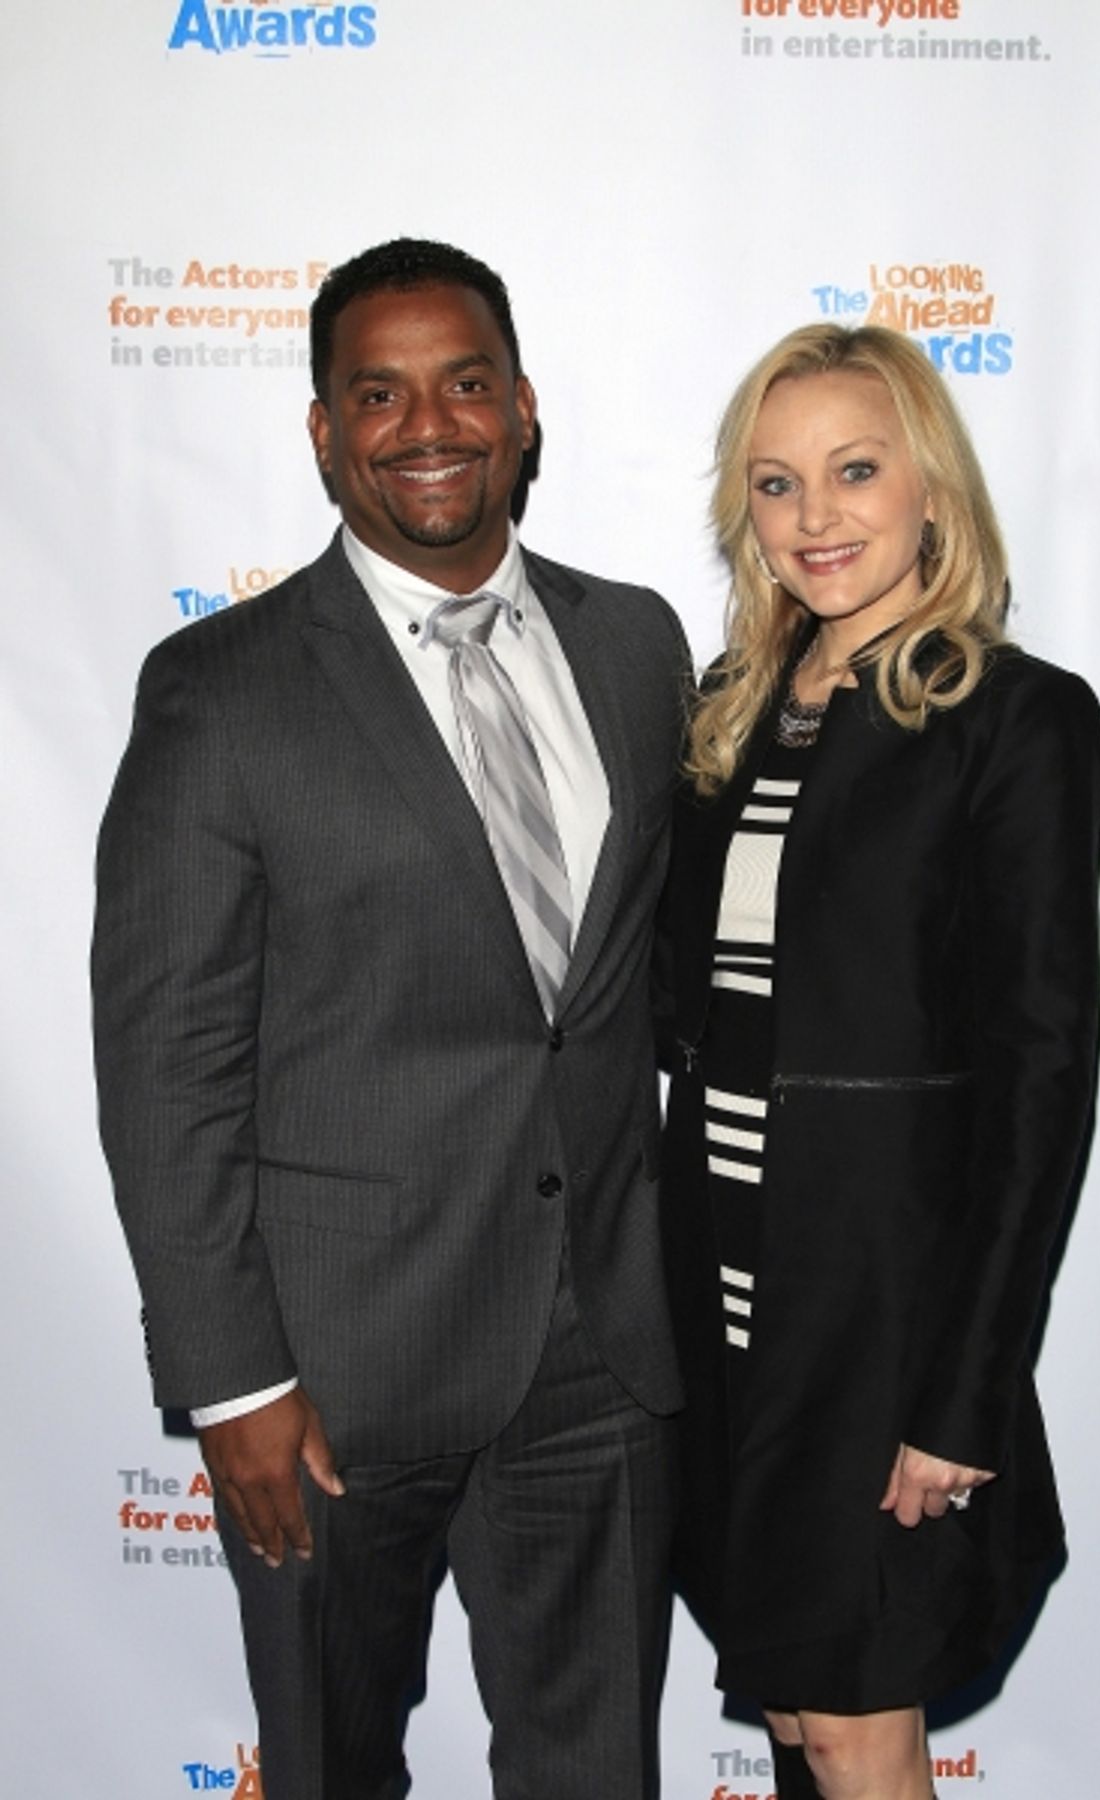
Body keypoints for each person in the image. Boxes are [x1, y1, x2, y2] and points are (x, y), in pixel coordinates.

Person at [92, 237, 688, 1800]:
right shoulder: (218, 693)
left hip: (602, 1351)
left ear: (525, 408)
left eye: (466, 381)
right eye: (380, 391)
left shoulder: (636, 647)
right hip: (332, 1380)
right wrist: (232, 1383)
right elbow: (166, 1068)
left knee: (598, 1774)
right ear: (322, 429)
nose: (430, 423)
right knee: (334, 1767)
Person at [659, 323, 1100, 1800]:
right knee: (796, 1717)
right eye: (776, 486)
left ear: (935, 489)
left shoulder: (1015, 719)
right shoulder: (733, 710)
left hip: (878, 1322)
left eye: (856, 472)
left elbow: (1044, 1078)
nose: (816, 518)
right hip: (720, 1306)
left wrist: (961, 1394)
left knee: (859, 1730)